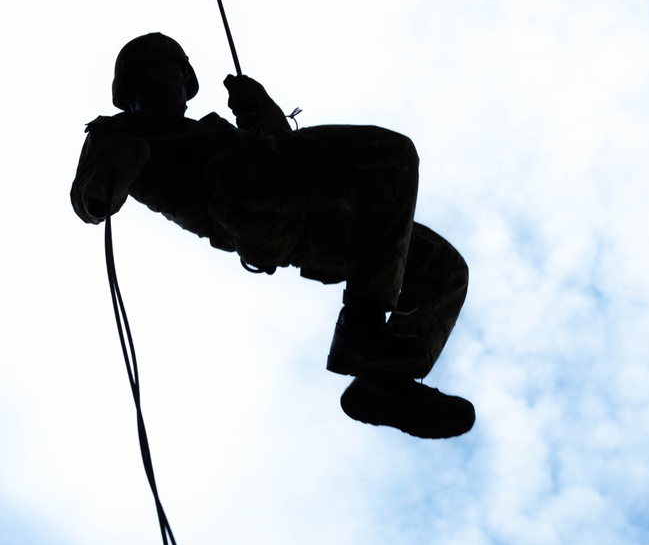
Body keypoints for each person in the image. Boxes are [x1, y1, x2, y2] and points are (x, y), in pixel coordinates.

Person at [71, 33, 475, 440]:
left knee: (442, 267)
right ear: (133, 85)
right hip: (231, 191)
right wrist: (109, 173)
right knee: (387, 154)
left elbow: (286, 157)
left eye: (177, 71)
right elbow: (88, 202)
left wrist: (260, 111)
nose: (171, 79)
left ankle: (384, 380)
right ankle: (361, 330)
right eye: (158, 71)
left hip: (298, 229)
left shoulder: (213, 131)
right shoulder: (117, 131)